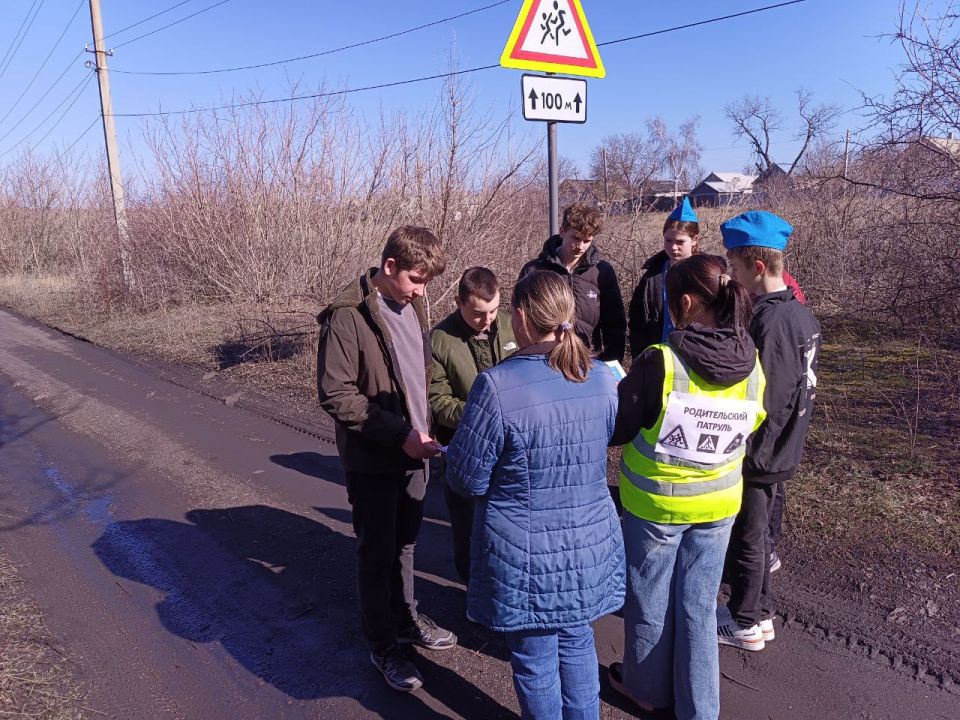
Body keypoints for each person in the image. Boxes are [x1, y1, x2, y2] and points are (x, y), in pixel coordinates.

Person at [445, 270, 625, 719]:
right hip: (588, 544)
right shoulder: (602, 378)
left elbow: (466, 479)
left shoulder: (496, 386)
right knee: (578, 641)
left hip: (524, 553)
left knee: (534, 660)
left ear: (521, 317)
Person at [608, 254, 766, 719]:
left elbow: (620, 426)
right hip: (719, 505)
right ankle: (700, 710)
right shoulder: (752, 362)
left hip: (656, 505)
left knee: (649, 602)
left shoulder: (661, 361)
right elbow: (755, 420)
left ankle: (647, 691)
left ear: (686, 303)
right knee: (699, 608)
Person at [316, 225, 457, 693]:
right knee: (376, 554)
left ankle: (405, 620)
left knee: (406, 545)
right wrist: (400, 435)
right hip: (375, 459)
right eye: (416, 279)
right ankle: (383, 646)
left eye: (426, 283)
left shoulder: (412, 304)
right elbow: (336, 394)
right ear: (389, 266)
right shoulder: (348, 317)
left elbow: (419, 373)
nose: (422, 291)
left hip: (415, 453)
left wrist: (430, 428)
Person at [719, 211, 821, 651]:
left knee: (747, 535)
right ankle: (759, 614)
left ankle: (743, 621)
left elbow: (772, 398)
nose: (731, 276)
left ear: (757, 267)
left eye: (734, 267)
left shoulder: (772, 322)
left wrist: (740, 444)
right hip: (779, 447)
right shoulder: (797, 312)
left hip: (761, 450)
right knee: (758, 534)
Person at [429, 266, 517, 584]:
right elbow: (438, 401)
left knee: (507, 527)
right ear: (459, 303)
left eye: (493, 310)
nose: (488, 320)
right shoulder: (439, 340)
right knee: (468, 527)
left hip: (511, 446)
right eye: (479, 314)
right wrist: (483, 414)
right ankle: (470, 588)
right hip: (465, 448)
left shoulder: (512, 324)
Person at [519, 202, 626, 363]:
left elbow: (615, 324)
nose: (581, 246)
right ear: (562, 231)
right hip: (545, 360)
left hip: (588, 361)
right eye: (576, 238)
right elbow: (522, 321)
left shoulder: (602, 272)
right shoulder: (534, 270)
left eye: (587, 240)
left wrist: (612, 362)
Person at [628, 197, 701, 358]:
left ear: (694, 240)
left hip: (694, 357)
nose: (673, 247)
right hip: (657, 357)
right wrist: (640, 356)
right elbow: (637, 321)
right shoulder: (652, 275)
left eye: (680, 242)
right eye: (668, 240)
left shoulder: (706, 274)